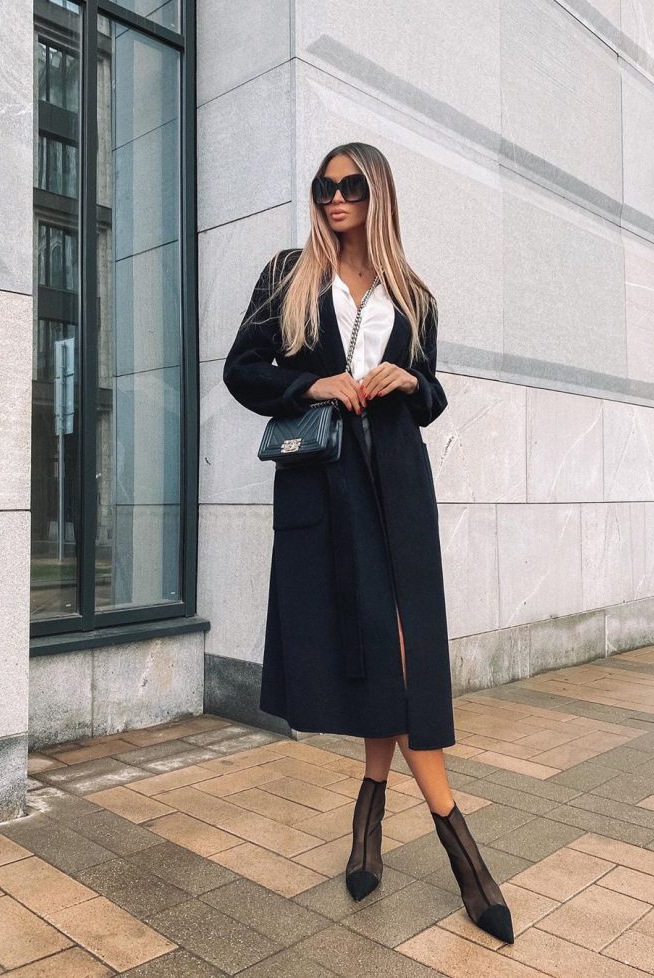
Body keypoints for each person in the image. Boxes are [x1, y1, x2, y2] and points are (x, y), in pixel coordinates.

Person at [222, 142, 514, 944]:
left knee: (404, 652)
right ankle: (455, 849)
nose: (335, 197)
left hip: (398, 487)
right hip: (325, 488)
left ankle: (375, 812)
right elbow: (242, 370)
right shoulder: (289, 275)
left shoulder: (414, 294)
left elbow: (433, 393)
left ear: (378, 194)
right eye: (325, 186)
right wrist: (310, 383)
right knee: (377, 651)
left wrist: (409, 380)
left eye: (351, 185)